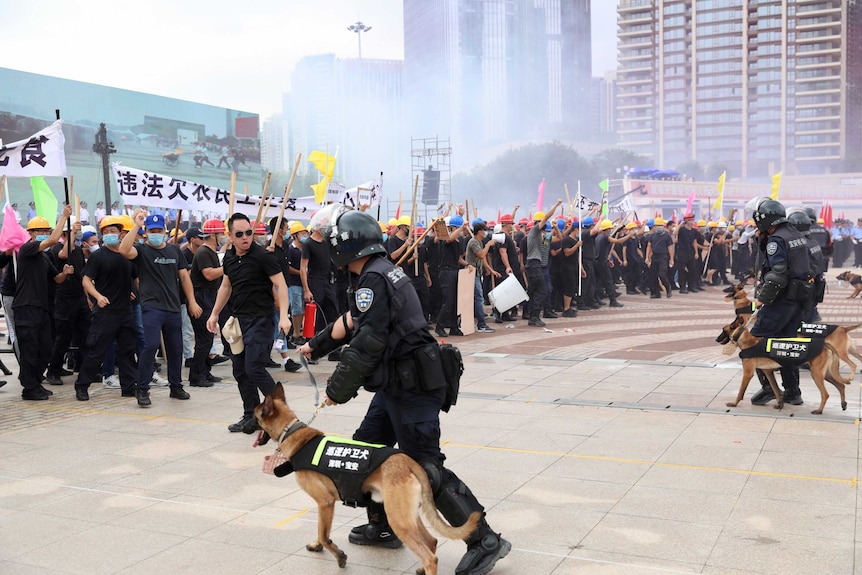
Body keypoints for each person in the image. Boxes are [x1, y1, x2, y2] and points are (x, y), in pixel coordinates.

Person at [298, 205, 510, 575]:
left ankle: (484, 539)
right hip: (396, 383)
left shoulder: (374, 279)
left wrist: (337, 389)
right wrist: (315, 346)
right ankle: (385, 526)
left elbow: (369, 340)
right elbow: (352, 320)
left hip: (412, 387)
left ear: (346, 247)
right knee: (367, 448)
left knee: (426, 467)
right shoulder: (374, 274)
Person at [207, 213, 292, 433]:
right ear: (230, 236)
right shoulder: (229, 258)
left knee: (254, 368)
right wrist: (214, 314)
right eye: (240, 234)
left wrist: (284, 315)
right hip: (238, 320)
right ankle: (251, 416)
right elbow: (226, 287)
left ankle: (283, 414)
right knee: (240, 371)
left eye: (249, 232)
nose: (245, 237)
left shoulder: (264, 256)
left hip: (262, 320)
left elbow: (281, 285)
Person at [119, 210, 202, 407]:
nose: (156, 233)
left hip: (173, 307)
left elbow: (184, 277)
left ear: (165, 231)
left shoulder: (174, 251)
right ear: (146, 232)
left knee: (176, 348)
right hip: (151, 307)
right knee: (150, 345)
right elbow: (123, 250)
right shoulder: (141, 250)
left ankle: (176, 386)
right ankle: (143, 388)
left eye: (159, 230)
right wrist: (136, 225)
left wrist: (192, 301)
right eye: (152, 230)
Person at [748, 199, 812, 406]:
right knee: (786, 345)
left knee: (755, 341)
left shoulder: (777, 240)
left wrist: (761, 299)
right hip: (798, 300)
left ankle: (768, 387)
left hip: (781, 301)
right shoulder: (795, 234)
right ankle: (793, 391)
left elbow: (777, 275)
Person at [73, 216, 139, 401]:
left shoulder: (128, 256)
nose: (111, 234)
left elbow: (136, 279)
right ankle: (82, 385)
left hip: (125, 311)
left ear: (121, 234)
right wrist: (98, 296)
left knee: (127, 351)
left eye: (114, 231)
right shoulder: (98, 256)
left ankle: (128, 387)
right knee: (96, 351)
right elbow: (86, 280)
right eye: (107, 232)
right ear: (102, 235)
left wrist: (134, 292)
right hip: (105, 312)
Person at [15, 206, 74, 400]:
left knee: (46, 347)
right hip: (26, 307)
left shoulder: (44, 258)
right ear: (30, 233)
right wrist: (64, 218)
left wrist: (65, 273)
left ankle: (36, 381)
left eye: (45, 231)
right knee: (30, 348)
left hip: (42, 308)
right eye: (38, 231)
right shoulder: (27, 249)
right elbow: (52, 240)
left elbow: (57, 279)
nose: (42, 234)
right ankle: (29, 387)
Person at [465, 221, 498, 333]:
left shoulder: (479, 242)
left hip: (477, 273)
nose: (485, 232)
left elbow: (482, 259)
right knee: (478, 298)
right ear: (479, 231)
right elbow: (481, 255)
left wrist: (490, 269)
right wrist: (488, 245)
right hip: (471, 274)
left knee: (476, 298)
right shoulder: (474, 242)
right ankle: (481, 324)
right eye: (484, 230)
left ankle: (479, 323)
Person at [645, 217, 674, 298]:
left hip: (663, 257)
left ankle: (668, 289)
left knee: (662, 274)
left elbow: (670, 247)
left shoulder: (667, 236)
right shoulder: (652, 236)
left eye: (660, 225)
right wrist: (647, 257)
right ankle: (655, 293)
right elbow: (649, 246)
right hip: (655, 256)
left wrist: (671, 259)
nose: (658, 227)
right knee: (653, 276)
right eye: (657, 225)